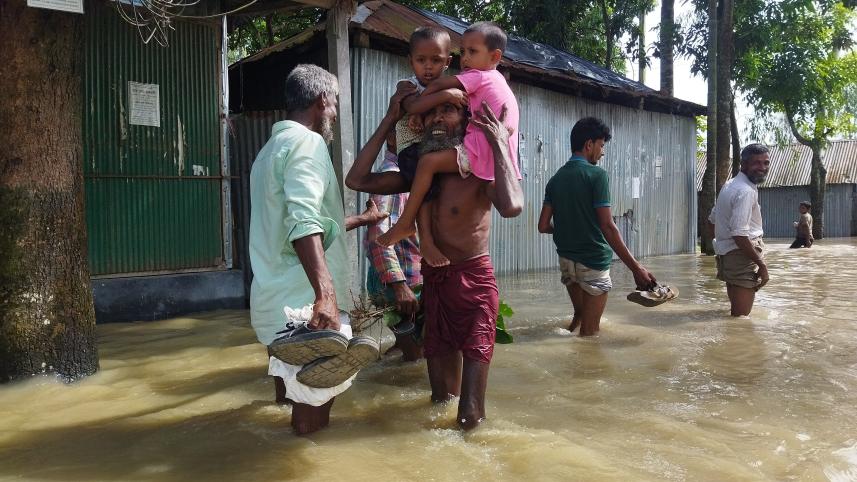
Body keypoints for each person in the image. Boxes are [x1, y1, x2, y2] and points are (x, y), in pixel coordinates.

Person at [348, 92, 523, 430]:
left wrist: (499, 142)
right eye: (431, 113)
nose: (439, 118)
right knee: (440, 402)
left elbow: (513, 206)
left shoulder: (476, 170)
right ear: (421, 124)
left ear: (466, 120)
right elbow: (357, 179)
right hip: (436, 287)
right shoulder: (418, 179)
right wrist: (388, 120)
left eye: (449, 111)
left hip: (475, 289)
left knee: (470, 413)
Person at [249, 64, 387, 435]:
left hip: (272, 304)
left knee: (288, 403)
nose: (336, 113)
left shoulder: (269, 151)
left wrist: (360, 220)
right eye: (336, 102)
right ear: (322, 99)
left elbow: (300, 221)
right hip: (305, 309)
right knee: (312, 419)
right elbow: (303, 222)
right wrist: (325, 295)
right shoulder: (308, 143)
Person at [377, 21, 521, 269]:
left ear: (495, 56)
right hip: (496, 150)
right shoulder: (498, 81)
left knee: (428, 162)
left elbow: (437, 86)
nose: (464, 59)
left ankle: (405, 222)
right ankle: (414, 229)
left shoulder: (476, 76)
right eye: (462, 52)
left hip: (481, 145)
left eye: (471, 52)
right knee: (428, 172)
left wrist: (432, 95)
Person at [537, 117, 658, 337]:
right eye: (601, 145)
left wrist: (568, 225)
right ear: (589, 144)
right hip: (593, 262)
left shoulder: (555, 180)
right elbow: (608, 226)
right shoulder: (597, 175)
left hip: (567, 263)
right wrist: (636, 268)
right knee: (590, 336)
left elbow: (543, 225)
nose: (602, 152)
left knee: (579, 318)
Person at [364, 129, 424, 362]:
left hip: (398, 282)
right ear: (391, 138)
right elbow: (378, 236)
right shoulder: (394, 177)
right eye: (411, 130)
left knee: (406, 352)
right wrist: (399, 286)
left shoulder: (405, 175)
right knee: (416, 356)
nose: (419, 135)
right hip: (403, 284)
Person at [708, 143, 771, 316]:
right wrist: (762, 264)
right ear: (743, 165)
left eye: (766, 163)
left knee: (735, 316)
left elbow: (712, 220)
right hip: (742, 254)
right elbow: (739, 234)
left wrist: (723, 244)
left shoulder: (730, 185)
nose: (762, 168)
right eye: (756, 163)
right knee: (741, 321)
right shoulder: (745, 191)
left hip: (729, 255)